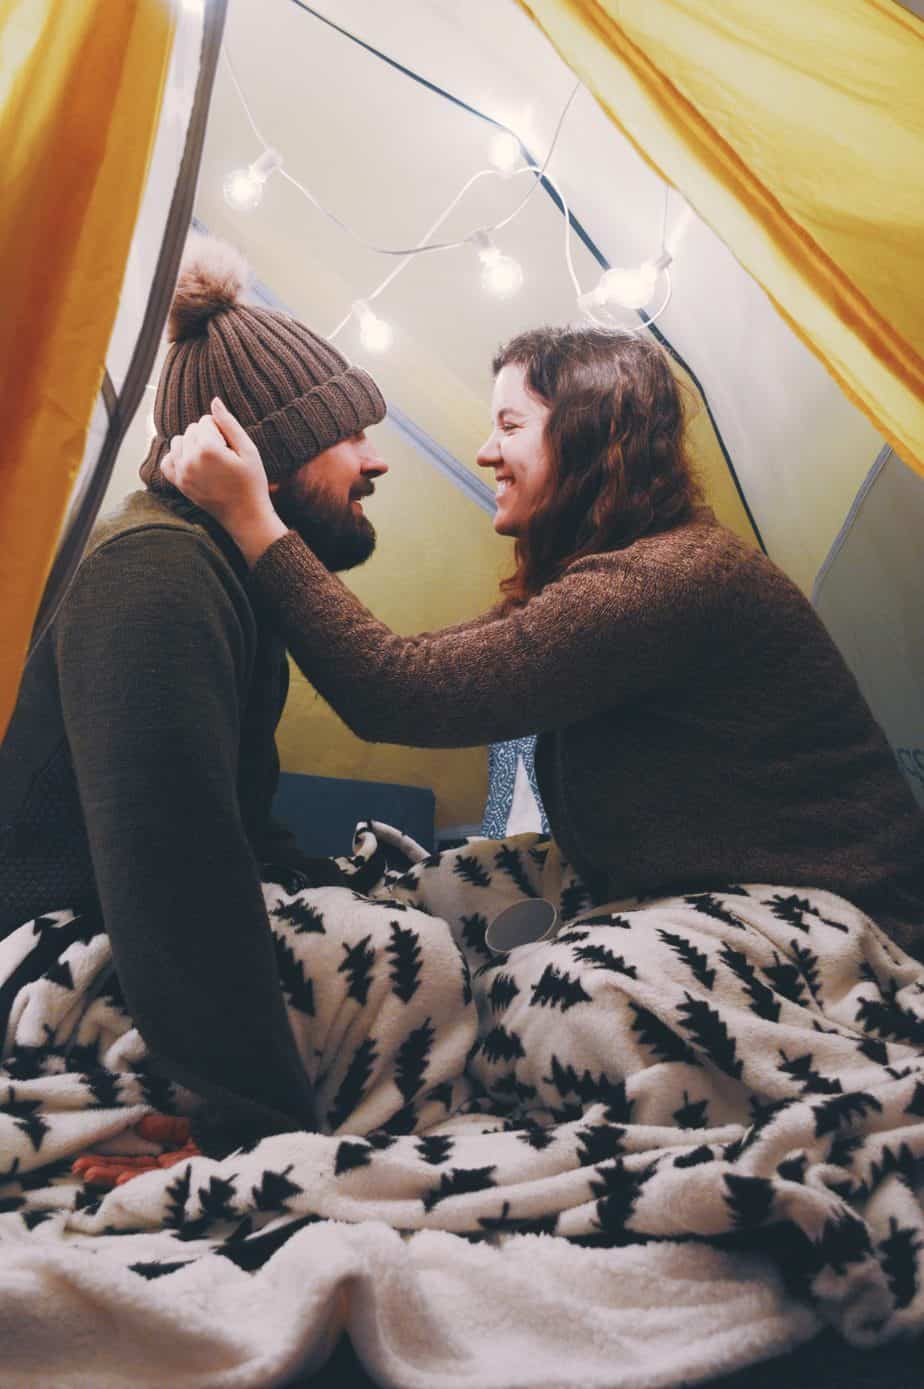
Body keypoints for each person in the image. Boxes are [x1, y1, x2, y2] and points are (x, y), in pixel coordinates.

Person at [163, 324, 924, 960]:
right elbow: (414, 662)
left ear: (589, 438)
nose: (485, 452)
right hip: (720, 897)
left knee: (537, 1001)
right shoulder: (613, 577)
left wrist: (251, 515)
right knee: (426, 898)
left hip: (840, 922)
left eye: (511, 425)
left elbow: (397, 691)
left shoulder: (666, 582)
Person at [0, 233, 426, 1159]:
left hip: (118, 930)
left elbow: (237, 819)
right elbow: (174, 868)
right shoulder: (158, 569)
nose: (374, 460)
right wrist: (261, 1122)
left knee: (408, 932)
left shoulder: (233, 575)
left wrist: (326, 886)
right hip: (42, 950)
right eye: (347, 436)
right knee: (413, 974)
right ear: (266, 458)